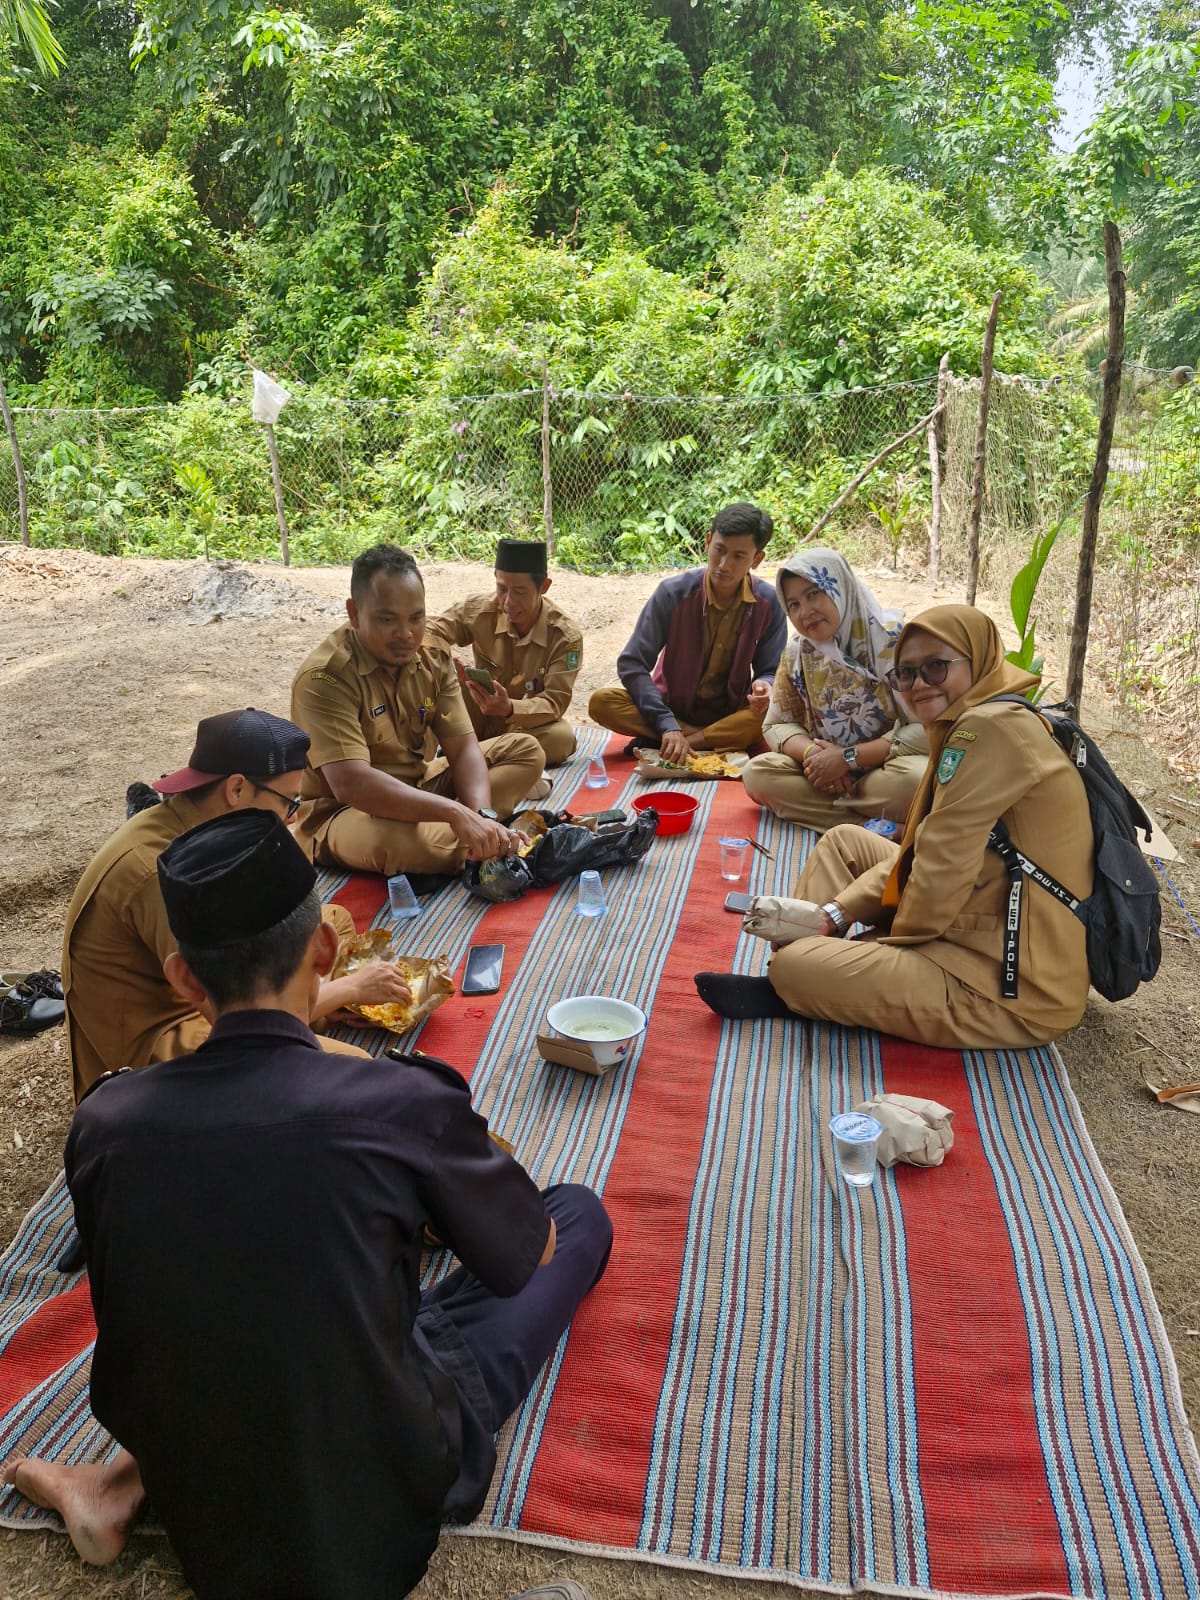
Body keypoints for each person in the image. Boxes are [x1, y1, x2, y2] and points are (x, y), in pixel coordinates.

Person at [3, 810, 612, 1599]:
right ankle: (122, 1484)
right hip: (375, 1499)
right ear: (326, 952)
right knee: (574, 1215)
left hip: (199, 1489)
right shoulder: (401, 1103)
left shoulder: (106, 1122)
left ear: (183, 980)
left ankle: (118, 1484)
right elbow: (524, 1256)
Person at [696, 605, 1095, 1048]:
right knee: (844, 842)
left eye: (936, 667)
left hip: (1008, 985)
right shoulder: (984, 718)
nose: (920, 684)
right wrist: (836, 914)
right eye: (906, 674)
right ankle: (812, 964)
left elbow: (939, 874)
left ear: (978, 659)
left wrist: (871, 939)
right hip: (984, 902)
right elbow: (923, 853)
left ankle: (799, 977)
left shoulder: (985, 731)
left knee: (793, 966)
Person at [61, 708, 403, 1103]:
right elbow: (235, 1016)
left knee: (332, 921)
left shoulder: (193, 823)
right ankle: (308, 1009)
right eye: (288, 803)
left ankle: (309, 1004)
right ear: (237, 789)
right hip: (163, 1037)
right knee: (358, 1070)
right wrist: (348, 988)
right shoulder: (166, 873)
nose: (291, 820)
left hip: (210, 986)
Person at [291, 544, 545, 878]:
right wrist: (454, 814)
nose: (406, 634)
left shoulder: (431, 658)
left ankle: (480, 835)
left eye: (416, 618)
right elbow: (351, 784)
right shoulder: (326, 677)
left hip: (418, 785)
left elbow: (464, 748)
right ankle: (479, 843)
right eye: (387, 620)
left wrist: (480, 815)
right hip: (345, 812)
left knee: (526, 750)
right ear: (354, 613)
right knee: (407, 846)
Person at [741, 548, 929, 831]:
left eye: (813, 594)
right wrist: (814, 759)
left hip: (885, 771)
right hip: (825, 777)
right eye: (792, 604)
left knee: (918, 779)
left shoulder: (894, 641)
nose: (805, 612)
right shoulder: (799, 650)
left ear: (840, 586)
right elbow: (777, 725)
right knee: (758, 773)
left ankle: (842, 816)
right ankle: (871, 826)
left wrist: (847, 758)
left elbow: (927, 729)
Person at [588, 502, 787, 762]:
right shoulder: (672, 593)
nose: (724, 565)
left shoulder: (769, 602)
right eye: (719, 550)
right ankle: (702, 739)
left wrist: (765, 685)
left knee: (769, 713)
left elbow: (771, 671)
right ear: (707, 542)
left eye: (739, 556)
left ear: (757, 559)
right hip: (668, 709)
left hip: (730, 715)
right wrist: (666, 722)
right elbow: (632, 663)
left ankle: (685, 743)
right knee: (602, 702)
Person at [425, 536, 583, 768]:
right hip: (473, 715)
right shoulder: (478, 610)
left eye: (519, 591)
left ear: (544, 587)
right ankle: (433, 763)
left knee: (561, 738)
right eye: (501, 589)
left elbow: (553, 702)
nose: (508, 601)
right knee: (433, 684)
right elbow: (428, 631)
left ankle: (465, 759)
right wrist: (443, 662)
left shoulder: (565, 637)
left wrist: (509, 707)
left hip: (519, 726)